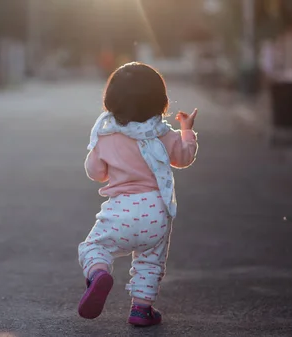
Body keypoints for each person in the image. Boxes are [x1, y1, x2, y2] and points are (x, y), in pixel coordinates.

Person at [78, 62, 199, 326]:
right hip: (156, 212)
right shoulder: (162, 133)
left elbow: (95, 172)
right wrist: (187, 131)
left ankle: (98, 274)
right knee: (150, 261)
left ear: (111, 99)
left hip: (119, 211)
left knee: (94, 247)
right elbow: (184, 156)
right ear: (160, 101)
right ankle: (141, 310)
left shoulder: (106, 133)